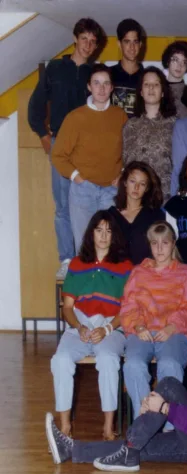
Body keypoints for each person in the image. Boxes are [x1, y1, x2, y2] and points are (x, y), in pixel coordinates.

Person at [46, 305, 187, 474]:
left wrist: (164, 407)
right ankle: (72, 449)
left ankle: (130, 448)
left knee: (168, 385)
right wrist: (156, 402)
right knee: (141, 444)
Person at [28, 17, 105, 279]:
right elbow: (35, 107)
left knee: (87, 206)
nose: (88, 45)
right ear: (74, 39)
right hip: (60, 145)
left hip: (88, 148)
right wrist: (43, 136)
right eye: (84, 39)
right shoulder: (56, 68)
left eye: (93, 42)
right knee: (62, 207)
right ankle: (67, 259)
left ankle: (89, 258)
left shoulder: (95, 75)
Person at [50, 210, 133, 440]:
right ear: (91, 233)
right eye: (99, 230)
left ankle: (108, 427)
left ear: (115, 235)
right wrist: (79, 327)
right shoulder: (77, 264)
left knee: (108, 359)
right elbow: (68, 307)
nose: (104, 236)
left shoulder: (125, 267)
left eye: (109, 231)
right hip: (80, 326)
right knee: (60, 360)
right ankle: (65, 427)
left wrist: (107, 329)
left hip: (111, 327)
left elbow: (128, 308)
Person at [120, 221, 187, 420]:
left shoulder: (186, 272)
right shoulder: (138, 272)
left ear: (173, 244)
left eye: (165, 243)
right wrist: (138, 326)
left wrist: (172, 327)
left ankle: (169, 426)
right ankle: (145, 421)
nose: (160, 248)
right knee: (133, 365)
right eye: (155, 243)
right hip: (142, 331)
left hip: (173, 333)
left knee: (170, 364)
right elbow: (128, 306)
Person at [51, 63, 129, 254]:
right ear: (89, 86)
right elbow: (58, 155)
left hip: (111, 191)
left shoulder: (120, 116)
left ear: (112, 87)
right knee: (84, 244)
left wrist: (122, 173)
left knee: (110, 245)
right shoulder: (75, 117)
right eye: (96, 83)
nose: (101, 88)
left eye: (106, 83)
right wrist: (77, 177)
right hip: (83, 190)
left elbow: (129, 151)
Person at [122, 67, 177, 201]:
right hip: (135, 198)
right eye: (146, 84)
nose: (151, 88)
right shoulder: (130, 126)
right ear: (141, 91)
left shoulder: (175, 125)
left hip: (165, 197)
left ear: (163, 92)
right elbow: (125, 163)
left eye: (156, 84)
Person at [108, 161, 165, 265]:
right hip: (116, 273)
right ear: (125, 182)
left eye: (142, 184)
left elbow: (164, 248)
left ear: (147, 188)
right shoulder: (110, 216)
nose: (136, 187)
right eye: (132, 181)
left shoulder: (156, 215)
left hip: (146, 272)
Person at [110, 19, 144, 118]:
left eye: (135, 42)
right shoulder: (108, 74)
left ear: (140, 44)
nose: (132, 47)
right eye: (127, 41)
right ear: (119, 44)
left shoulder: (147, 77)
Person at [162, 40, 187, 119]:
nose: (179, 66)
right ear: (168, 61)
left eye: (184, 62)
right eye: (175, 60)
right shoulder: (159, 87)